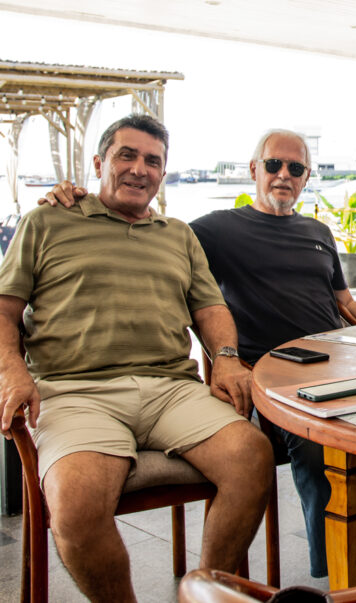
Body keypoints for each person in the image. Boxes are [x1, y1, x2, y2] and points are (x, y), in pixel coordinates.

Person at [42, 129, 356, 580]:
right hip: (275, 378)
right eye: (274, 165)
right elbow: (143, 232)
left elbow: (346, 302)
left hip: (341, 363)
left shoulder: (318, 232)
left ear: (307, 177)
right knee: (320, 445)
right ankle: (341, 562)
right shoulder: (214, 229)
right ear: (254, 170)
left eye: (295, 169)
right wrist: (78, 196)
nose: (283, 175)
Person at [0, 115, 273, 602]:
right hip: (76, 393)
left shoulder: (178, 234)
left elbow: (210, 308)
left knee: (252, 457)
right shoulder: (47, 220)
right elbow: (5, 310)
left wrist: (228, 358)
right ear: (99, 162)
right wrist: (13, 372)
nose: (139, 169)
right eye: (127, 155)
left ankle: (205, 593)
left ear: (163, 174)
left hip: (171, 390)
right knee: (78, 504)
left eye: (153, 161)